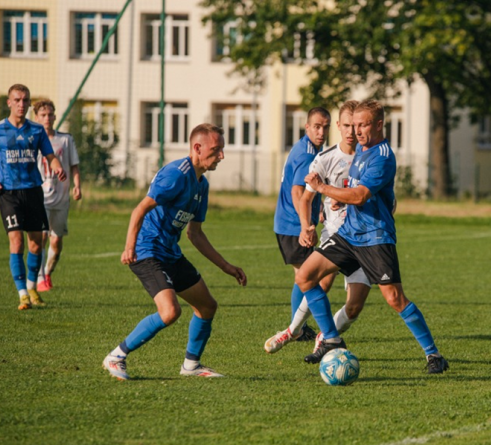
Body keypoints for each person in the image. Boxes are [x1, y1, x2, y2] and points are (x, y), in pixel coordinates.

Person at [296, 99, 449, 373]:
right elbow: (356, 191)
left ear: (379, 124)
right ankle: (331, 338)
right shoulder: (363, 151)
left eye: (363, 125)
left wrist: (324, 188)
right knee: (305, 276)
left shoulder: (382, 156)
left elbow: (361, 194)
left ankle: (434, 355)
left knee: (395, 299)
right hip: (348, 234)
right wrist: (340, 201)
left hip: (375, 237)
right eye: (353, 125)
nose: (356, 131)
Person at [102, 123, 247, 380]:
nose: (222, 156)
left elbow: (195, 234)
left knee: (206, 306)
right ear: (197, 147)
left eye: (222, 149)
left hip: (169, 252)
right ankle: (116, 356)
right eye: (217, 149)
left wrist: (227, 267)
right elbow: (140, 209)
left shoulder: (201, 185)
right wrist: (129, 247)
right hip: (147, 250)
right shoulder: (176, 175)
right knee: (170, 312)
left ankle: (191, 365)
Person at [294, 100, 371, 354]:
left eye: (356, 125)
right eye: (347, 125)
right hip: (336, 235)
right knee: (318, 282)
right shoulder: (325, 158)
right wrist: (307, 227)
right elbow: (306, 197)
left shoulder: (370, 157)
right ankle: (294, 330)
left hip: (364, 238)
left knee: (355, 307)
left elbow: (385, 200)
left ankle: (325, 337)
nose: (351, 131)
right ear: (338, 126)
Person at [0, 84, 64, 310]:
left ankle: (32, 287)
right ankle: (22, 294)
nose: (21, 104)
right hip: (9, 193)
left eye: (25, 100)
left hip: (33, 191)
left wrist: (57, 166)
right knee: (16, 241)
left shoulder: (36, 131)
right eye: (17, 100)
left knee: (36, 244)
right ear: (9, 102)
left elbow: (49, 155)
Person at [264, 107, 331, 353]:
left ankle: (298, 328)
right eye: (317, 126)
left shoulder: (309, 148)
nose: (321, 131)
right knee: (312, 278)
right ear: (307, 127)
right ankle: (301, 329)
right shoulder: (306, 154)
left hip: (290, 224)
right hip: (294, 226)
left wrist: (319, 209)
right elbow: (297, 192)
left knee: (305, 276)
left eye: (325, 127)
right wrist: (305, 226)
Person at [32, 99, 82, 292]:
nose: (47, 118)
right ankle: (40, 278)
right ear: (36, 117)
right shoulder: (33, 140)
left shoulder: (65, 140)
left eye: (50, 114)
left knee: (56, 241)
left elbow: (74, 166)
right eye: (43, 115)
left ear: (55, 116)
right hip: (40, 196)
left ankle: (47, 272)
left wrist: (77, 186)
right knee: (42, 237)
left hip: (61, 198)